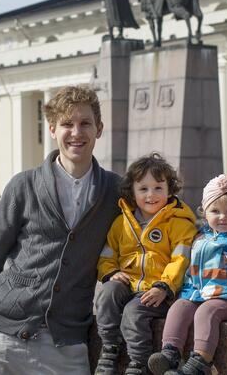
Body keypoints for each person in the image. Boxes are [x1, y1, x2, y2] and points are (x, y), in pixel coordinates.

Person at [0, 85, 121, 375]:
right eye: (66, 124)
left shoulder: (114, 191)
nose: (76, 132)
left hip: (65, 348)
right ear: (51, 129)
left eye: (85, 123)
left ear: (99, 129)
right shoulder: (24, 186)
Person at [147, 175, 227, 375]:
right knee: (180, 307)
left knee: (207, 311)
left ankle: (200, 362)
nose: (223, 217)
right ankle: (170, 353)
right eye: (215, 211)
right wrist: (185, 293)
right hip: (199, 293)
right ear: (205, 213)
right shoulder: (199, 239)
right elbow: (191, 272)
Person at [94, 153, 197, 375]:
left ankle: (139, 362)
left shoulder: (178, 222)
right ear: (132, 192)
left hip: (158, 292)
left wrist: (164, 286)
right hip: (128, 284)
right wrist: (111, 273)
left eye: (158, 188)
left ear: (169, 190)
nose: (151, 195)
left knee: (133, 312)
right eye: (143, 189)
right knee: (107, 293)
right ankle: (109, 347)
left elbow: (181, 260)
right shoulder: (121, 223)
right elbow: (107, 255)